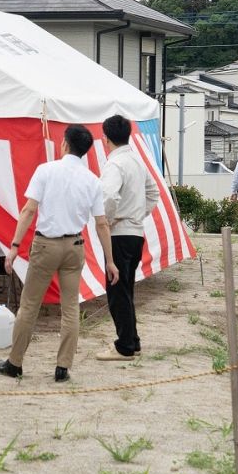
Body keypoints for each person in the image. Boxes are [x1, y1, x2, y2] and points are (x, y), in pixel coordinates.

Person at [0, 124, 118, 383]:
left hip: (46, 245)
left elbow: (29, 210)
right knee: (70, 307)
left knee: (30, 305)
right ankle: (63, 367)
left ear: (64, 144)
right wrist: (109, 261)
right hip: (74, 246)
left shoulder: (46, 171)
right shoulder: (93, 180)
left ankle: (15, 362)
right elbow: (101, 223)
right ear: (85, 151)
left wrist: (15, 246)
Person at [96, 115, 160, 360]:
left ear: (106, 138)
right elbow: (153, 192)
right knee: (125, 289)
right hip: (135, 232)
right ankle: (132, 340)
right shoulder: (136, 160)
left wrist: (109, 219)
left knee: (117, 292)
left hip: (120, 233)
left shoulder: (115, 164)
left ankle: (124, 346)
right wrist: (138, 213)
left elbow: (109, 197)